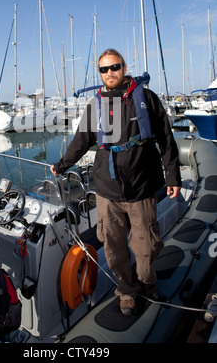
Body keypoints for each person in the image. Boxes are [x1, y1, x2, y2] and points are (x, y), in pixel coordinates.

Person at [50, 48, 181, 316]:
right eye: (104, 69)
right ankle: (126, 292)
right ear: (99, 73)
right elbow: (80, 142)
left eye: (115, 67)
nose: (110, 73)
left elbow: (166, 139)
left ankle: (147, 283)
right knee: (114, 248)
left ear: (123, 68)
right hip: (107, 191)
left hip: (142, 188)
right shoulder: (95, 105)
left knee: (146, 248)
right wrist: (62, 165)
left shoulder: (146, 99)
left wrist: (173, 176)